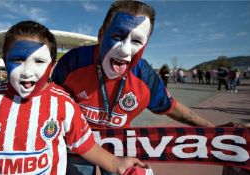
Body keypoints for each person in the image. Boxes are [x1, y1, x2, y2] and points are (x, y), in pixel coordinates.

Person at [0, 21, 147, 175]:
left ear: (52, 65)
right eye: (18, 60)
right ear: (5, 60)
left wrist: (116, 164)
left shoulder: (63, 103)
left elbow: (84, 144)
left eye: (39, 61)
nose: (27, 72)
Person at [51, 1, 215, 174]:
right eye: (118, 37)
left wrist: (216, 130)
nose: (125, 51)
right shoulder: (72, 63)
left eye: (136, 41)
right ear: (101, 35)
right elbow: (49, 102)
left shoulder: (145, 77)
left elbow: (171, 107)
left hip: (119, 147)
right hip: (78, 145)